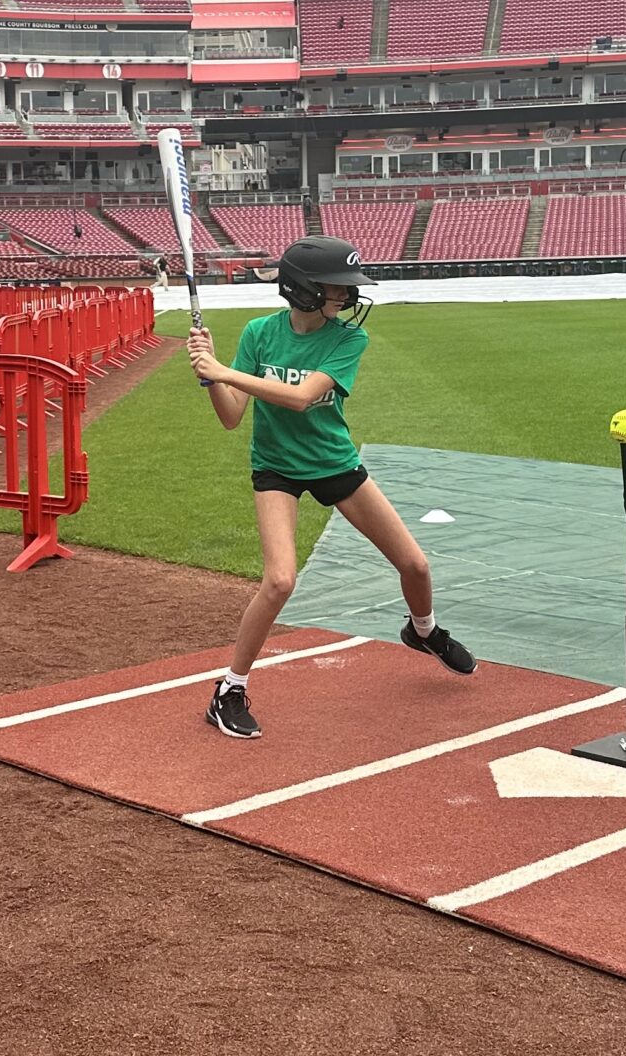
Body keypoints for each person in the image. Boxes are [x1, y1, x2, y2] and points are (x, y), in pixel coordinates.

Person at [187, 236, 475, 741]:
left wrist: (226, 371)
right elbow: (233, 418)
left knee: (415, 565)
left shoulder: (347, 340)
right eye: (337, 288)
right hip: (276, 468)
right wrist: (212, 379)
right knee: (279, 581)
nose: (348, 298)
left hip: (333, 462)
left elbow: (300, 398)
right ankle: (229, 689)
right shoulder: (259, 333)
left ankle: (423, 631)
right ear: (301, 289)